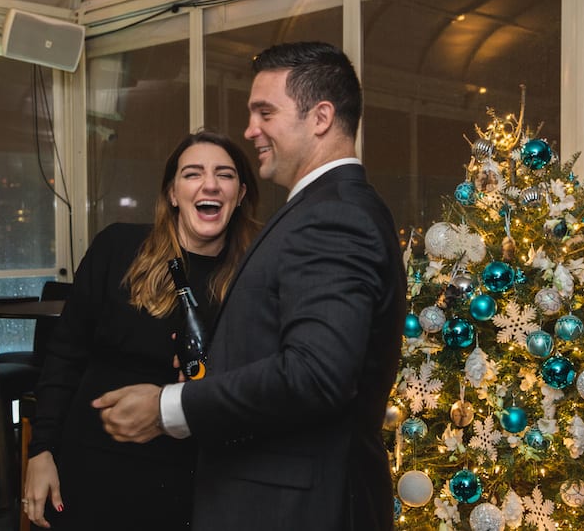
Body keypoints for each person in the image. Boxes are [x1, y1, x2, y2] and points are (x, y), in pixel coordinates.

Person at [94, 41, 406, 531]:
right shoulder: (323, 208)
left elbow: (316, 375)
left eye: (265, 112)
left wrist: (167, 408)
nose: (250, 130)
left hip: (294, 510)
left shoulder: (334, 215)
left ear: (320, 117)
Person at [22, 130, 261, 530]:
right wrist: (41, 450)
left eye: (225, 174)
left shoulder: (254, 277)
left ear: (239, 195)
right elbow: (64, 354)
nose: (210, 184)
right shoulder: (117, 248)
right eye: (192, 174)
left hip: (192, 479)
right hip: (92, 467)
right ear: (171, 193)